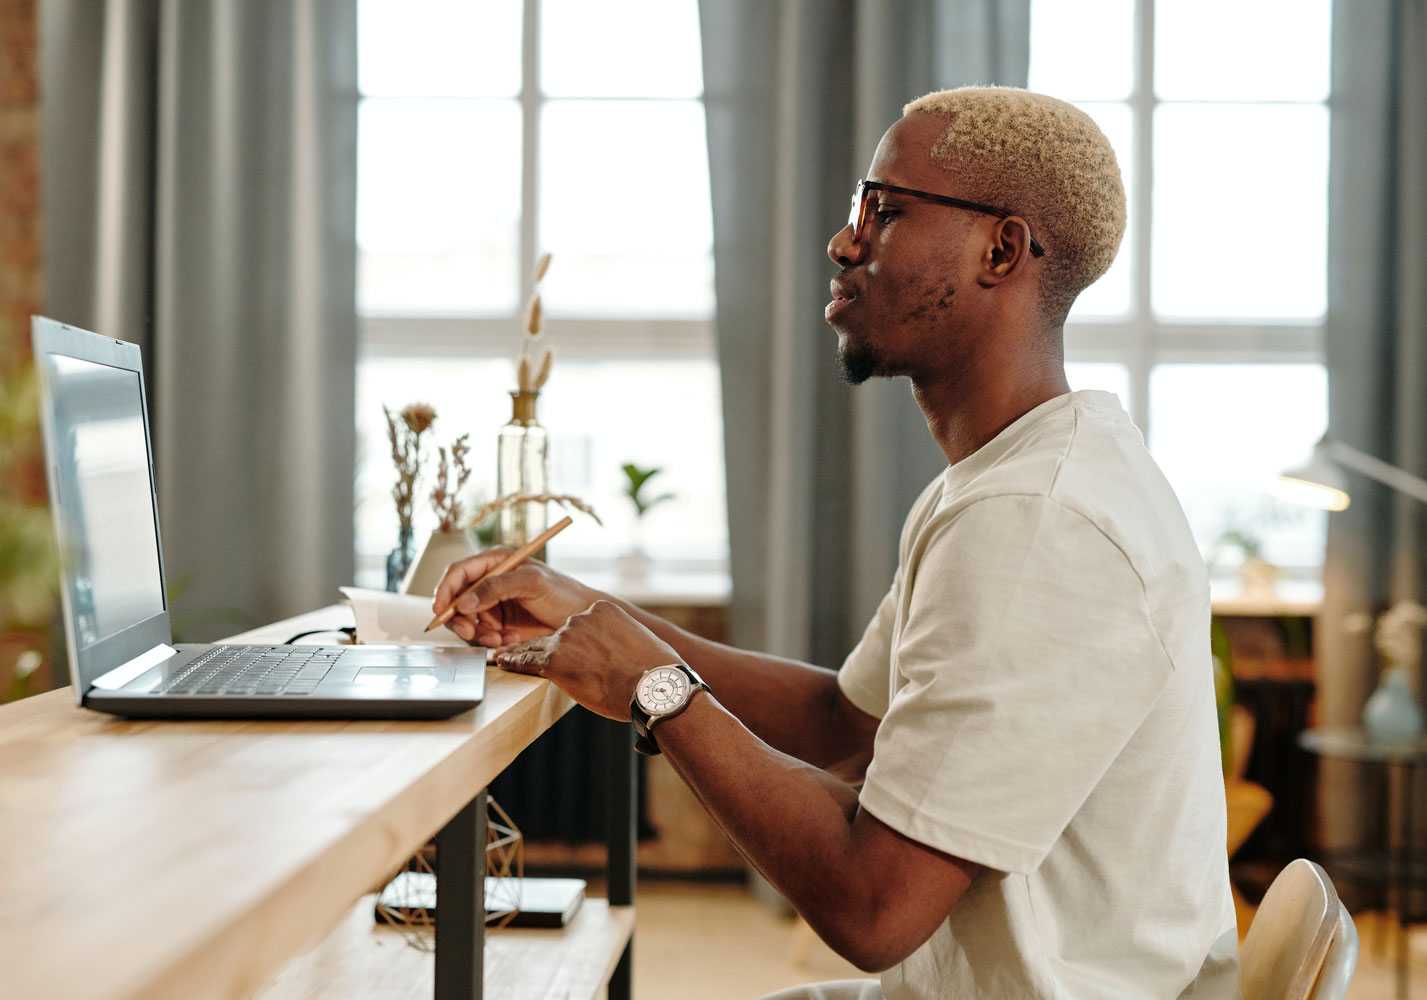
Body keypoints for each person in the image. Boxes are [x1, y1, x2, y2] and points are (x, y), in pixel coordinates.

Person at [434, 85, 1238, 999]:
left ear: (1001, 249)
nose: (844, 241)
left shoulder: (1037, 521)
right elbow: (843, 727)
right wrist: (594, 613)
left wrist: (655, 692)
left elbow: (873, 908)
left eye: (884, 210)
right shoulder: (1006, 480)